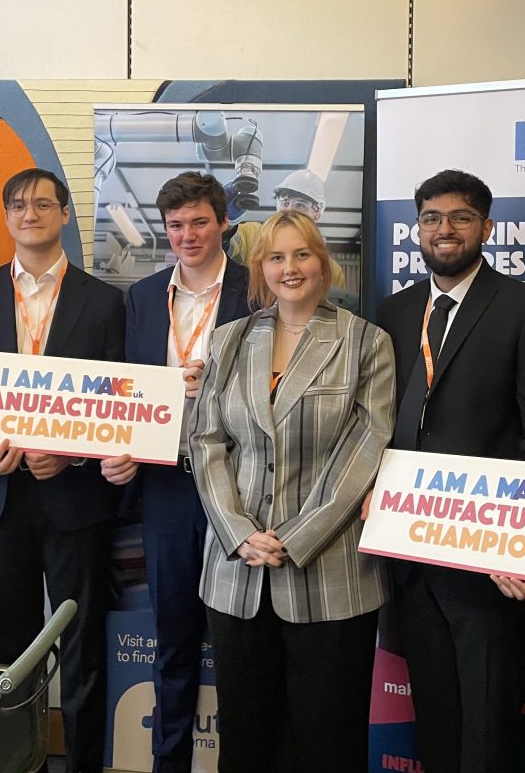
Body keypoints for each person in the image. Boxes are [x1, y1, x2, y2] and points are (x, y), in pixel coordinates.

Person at [374, 169, 525, 773]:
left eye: (460, 217)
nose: (444, 229)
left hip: (487, 557)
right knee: (435, 717)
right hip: (409, 553)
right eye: (431, 218)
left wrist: (519, 546)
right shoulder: (395, 312)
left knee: (488, 726)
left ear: (485, 227)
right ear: (416, 229)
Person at [189, 210, 394, 772]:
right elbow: (205, 441)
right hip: (237, 574)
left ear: (323, 263)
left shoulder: (365, 342)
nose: (290, 268)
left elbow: (367, 448)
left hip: (330, 575)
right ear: (261, 269)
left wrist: (293, 539)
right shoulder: (229, 341)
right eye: (276, 257)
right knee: (247, 739)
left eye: (301, 254)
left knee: (328, 740)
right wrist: (240, 534)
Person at [0, 168, 125, 773]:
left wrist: (72, 452)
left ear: (65, 214)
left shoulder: (105, 301)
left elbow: (120, 400)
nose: (30, 213)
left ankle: (85, 764)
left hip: (75, 500)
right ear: (7, 216)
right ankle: (23, 765)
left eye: (43, 203)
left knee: (83, 648)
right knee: (10, 656)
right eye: (17, 204)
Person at [99, 171, 251, 773]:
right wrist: (117, 449)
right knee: (174, 642)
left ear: (223, 224)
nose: (188, 235)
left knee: (240, 648)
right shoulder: (140, 297)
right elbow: (120, 389)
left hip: (239, 487)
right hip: (163, 485)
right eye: (177, 225)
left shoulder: (254, 291)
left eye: (200, 222)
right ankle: (170, 765)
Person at [226, 168, 348, 289]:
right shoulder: (254, 235)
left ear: (317, 215)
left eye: (300, 205)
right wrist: (226, 223)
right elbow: (225, 247)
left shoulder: (331, 270)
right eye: (285, 203)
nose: (289, 210)